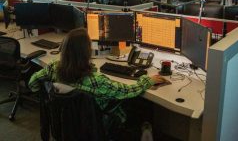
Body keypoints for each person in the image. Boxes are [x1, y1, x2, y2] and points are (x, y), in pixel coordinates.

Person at [28, 28, 165, 137]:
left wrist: (50, 99)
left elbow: (32, 83)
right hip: (96, 127)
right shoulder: (96, 81)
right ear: (87, 53)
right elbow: (128, 91)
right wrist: (148, 80)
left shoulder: (53, 68)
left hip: (63, 126)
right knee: (139, 104)